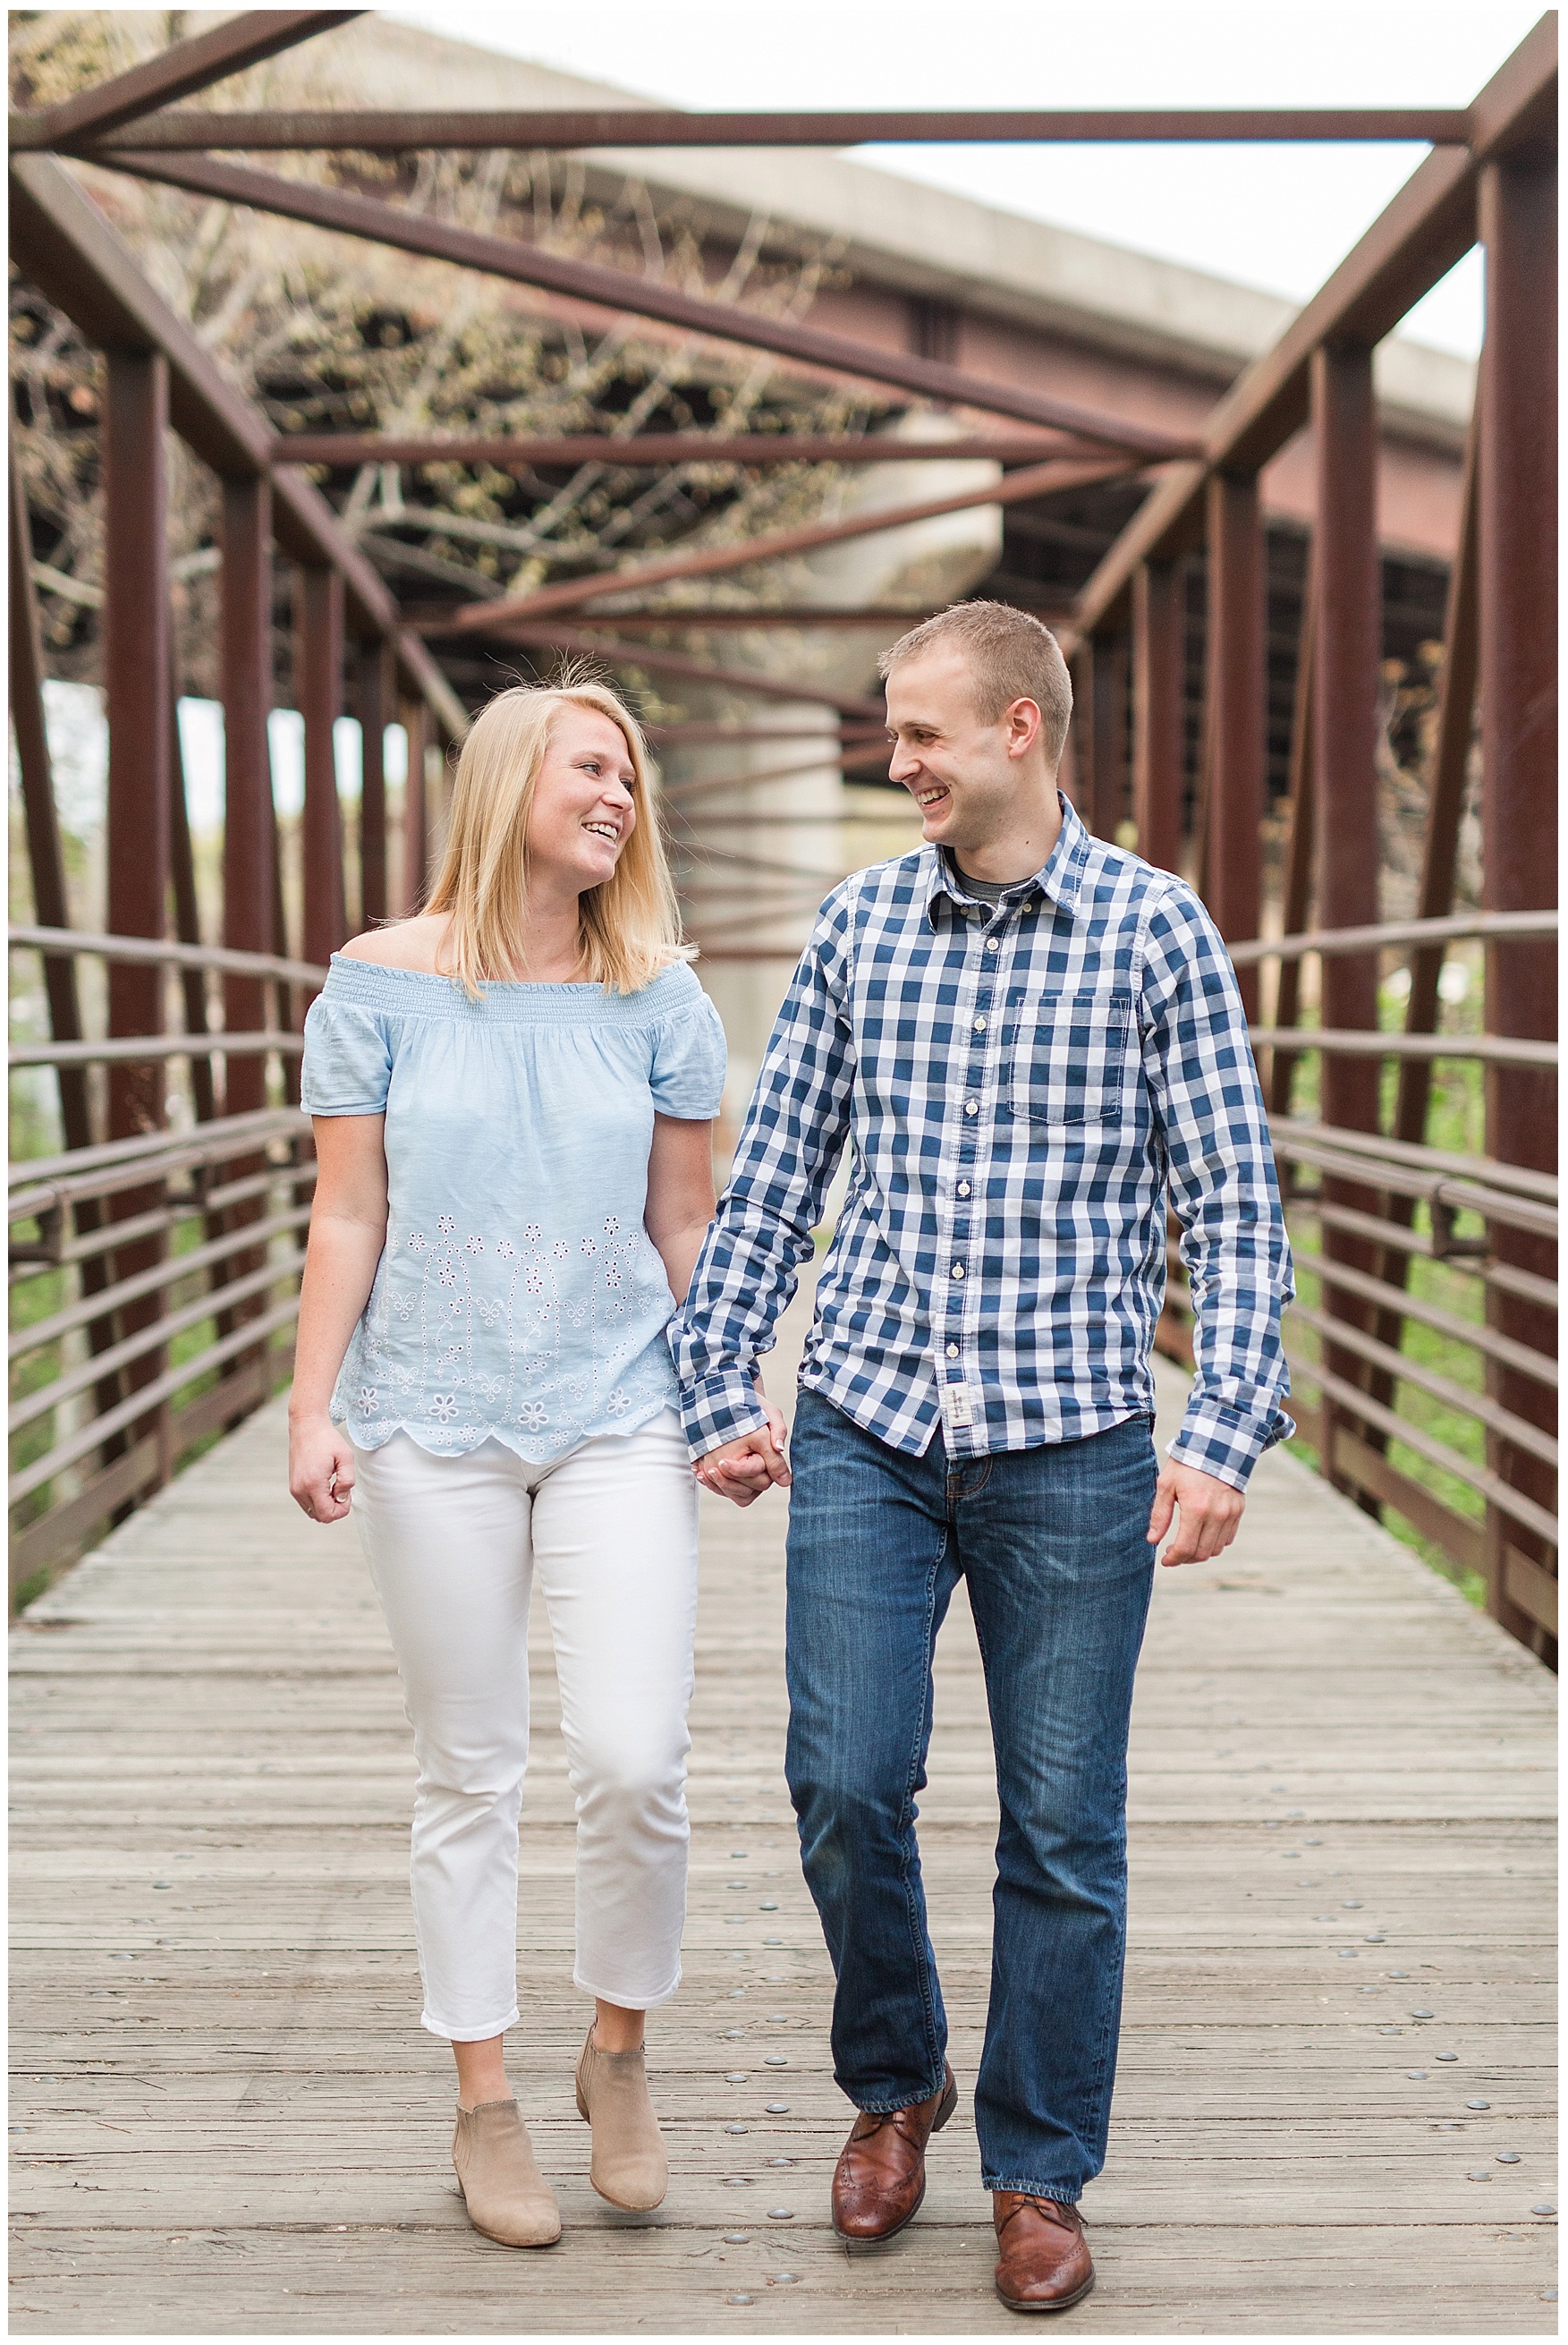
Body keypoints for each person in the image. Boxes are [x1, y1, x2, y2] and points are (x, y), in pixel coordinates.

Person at [672, 603, 1293, 2315]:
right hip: (868, 1417)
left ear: (1023, 727)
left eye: (924, 733)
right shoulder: (860, 923)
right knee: (845, 1781)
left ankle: (1037, 2166)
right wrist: (718, 1372)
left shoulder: (1159, 934)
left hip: (1073, 1438)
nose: (899, 761)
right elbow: (778, 1171)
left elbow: (1232, 1206)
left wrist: (1226, 1424)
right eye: (892, 732)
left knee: (1064, 1827)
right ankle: (898, 2080)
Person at [288, 679, 767, 2249]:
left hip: (618, 1406)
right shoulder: (374, 985)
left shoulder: (662, 998)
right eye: (591, 765)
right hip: (428, 1412)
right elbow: (347, 1213)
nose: (620, 794)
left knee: (636, 1754)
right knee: (469, 1765)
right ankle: (484, 2096)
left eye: (630, 773)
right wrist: (312, 1406)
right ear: (509, 781)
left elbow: (681, 1223)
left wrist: (730, 1398)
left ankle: (616, 2048)